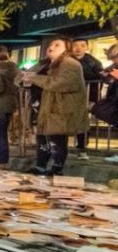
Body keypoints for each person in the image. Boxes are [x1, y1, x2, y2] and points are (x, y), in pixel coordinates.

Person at [23, 37, 88, 176]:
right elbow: (21, 77)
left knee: (56, 138)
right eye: (51, 44)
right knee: (42, 137)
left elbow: (62, 83)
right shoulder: (43, 64)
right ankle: (40, 166)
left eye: (57, 45)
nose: (51, 47)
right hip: (41, 106)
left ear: (66, 49)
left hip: (59, 107)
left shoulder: (70, 63)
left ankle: (57, 168)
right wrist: (24, 79)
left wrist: (35, 78)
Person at [72, 39, 103, 159]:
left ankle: (82, 148)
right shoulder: (66, 60)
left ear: (87, 47)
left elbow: (98, 82)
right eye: (75, 45)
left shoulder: (93, 62)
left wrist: (93, 100)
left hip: (85, 96)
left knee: (82, 122)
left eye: (82, 45)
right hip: (67, 96)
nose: (78, 48)